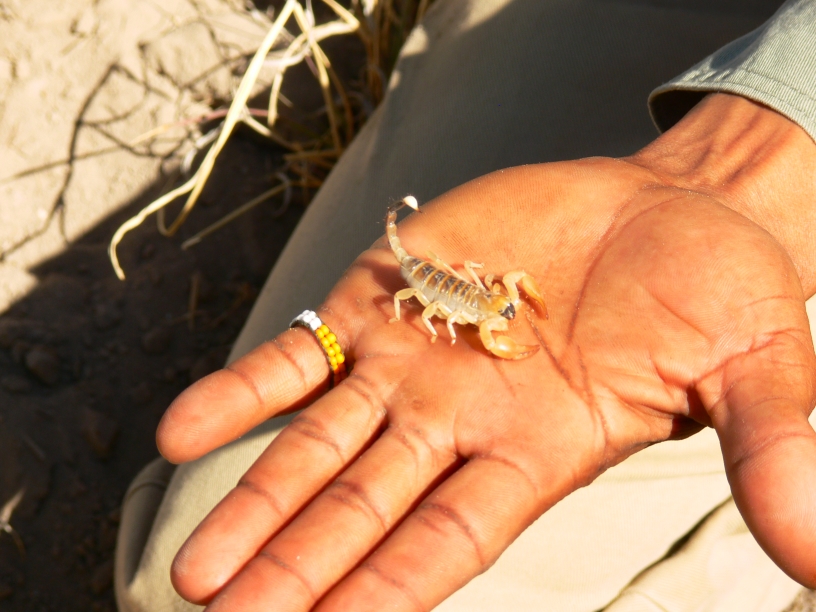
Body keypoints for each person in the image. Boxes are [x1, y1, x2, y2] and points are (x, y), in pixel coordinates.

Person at [114, 0, 816, 610]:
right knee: (196, 570)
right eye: (503, 315)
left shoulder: (489, 312)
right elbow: (439, 308)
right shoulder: (466, 312)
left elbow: (491, 305)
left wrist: (767, 164)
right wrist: (731, 149)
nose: (507, 317)